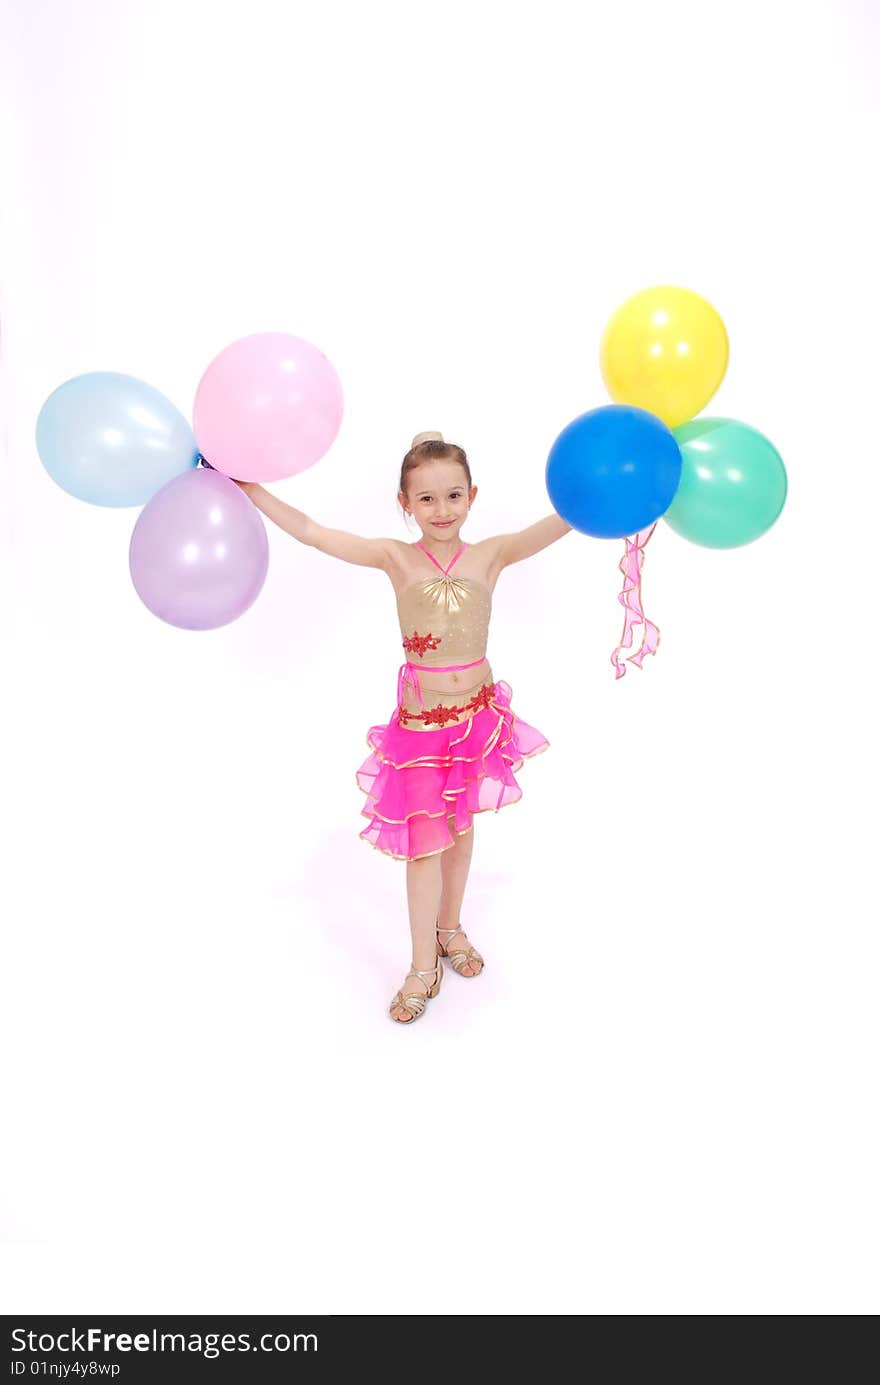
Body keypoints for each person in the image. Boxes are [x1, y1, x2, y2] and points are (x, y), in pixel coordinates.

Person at [232, 433, 571, 1024]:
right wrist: (252, 489)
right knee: (424, 850)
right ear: (404, 503)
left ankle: (451, 929)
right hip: (421, 731)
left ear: (472, 497)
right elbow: (314, 532)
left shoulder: (492, 553)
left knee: (461, 836)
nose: (442, 510)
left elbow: (562, 518)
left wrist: (614, 489)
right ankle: (422, 966)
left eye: (453, 496)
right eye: (427, 499)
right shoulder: (397, 558)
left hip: (475, 722)